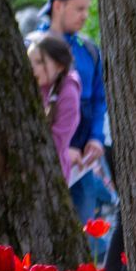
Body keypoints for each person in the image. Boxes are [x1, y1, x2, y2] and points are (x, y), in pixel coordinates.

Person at [35, 0, 111, 237]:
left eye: (87, 9)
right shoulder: (34, 46)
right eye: (79, 9)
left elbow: (100, 98)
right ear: (58, 5)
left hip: (84, 162)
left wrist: (96, 138)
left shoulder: (88, 48)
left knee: (84, 233)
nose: (85, 16)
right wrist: (60, 149)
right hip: (50, 159)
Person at [29, 33, 83, 182]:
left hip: (51, 174)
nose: (31, 67)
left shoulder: (68, 94)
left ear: (59, 66)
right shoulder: (35, 84)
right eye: (29, 61)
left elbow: (57, 142)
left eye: (39, 62)